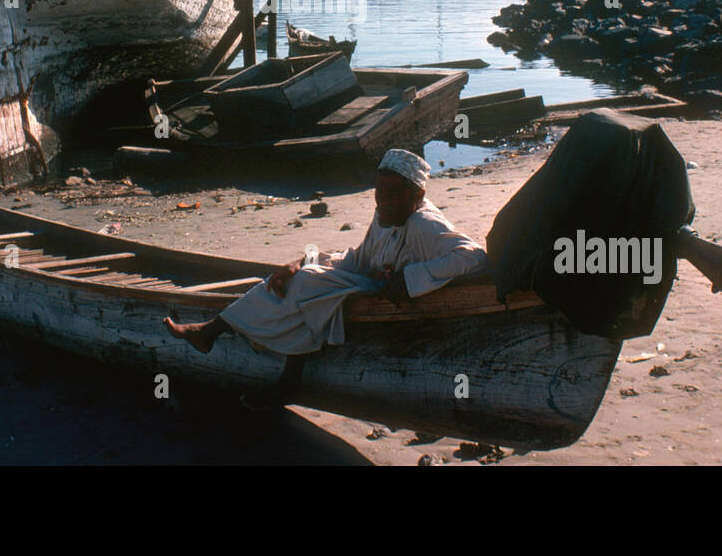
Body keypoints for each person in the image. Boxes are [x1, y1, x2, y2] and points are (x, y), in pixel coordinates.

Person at [164, 148, 488, 408]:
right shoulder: (385, 215)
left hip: (393, 293)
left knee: (306, 284)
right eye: (380, 192)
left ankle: (224, 339)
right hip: (373, 282)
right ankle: (221, 336)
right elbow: (359, 258)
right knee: (293, 280)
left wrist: (415, 276)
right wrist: (299, 261)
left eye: (394, 193)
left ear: (417, 195)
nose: (383, 201)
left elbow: (474, 256)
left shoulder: (424, 224)